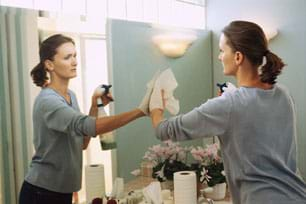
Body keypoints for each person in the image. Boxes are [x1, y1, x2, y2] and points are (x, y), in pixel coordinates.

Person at [150, 21, 306, 204]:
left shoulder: (229, 105)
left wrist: (155, 107)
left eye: (222, 51)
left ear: (238, 57)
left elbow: (165, 130)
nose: (219, 57)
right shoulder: (283, 94)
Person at [19, 34, 152, 204]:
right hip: (41, 193)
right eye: (67, 57)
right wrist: (140, 111)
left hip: (62, 191)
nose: (74, 61)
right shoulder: (48, 101)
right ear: (49, 64)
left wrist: (94, 106)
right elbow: (89, 126)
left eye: (75, 56)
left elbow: (82, 143)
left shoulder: (70, 96)